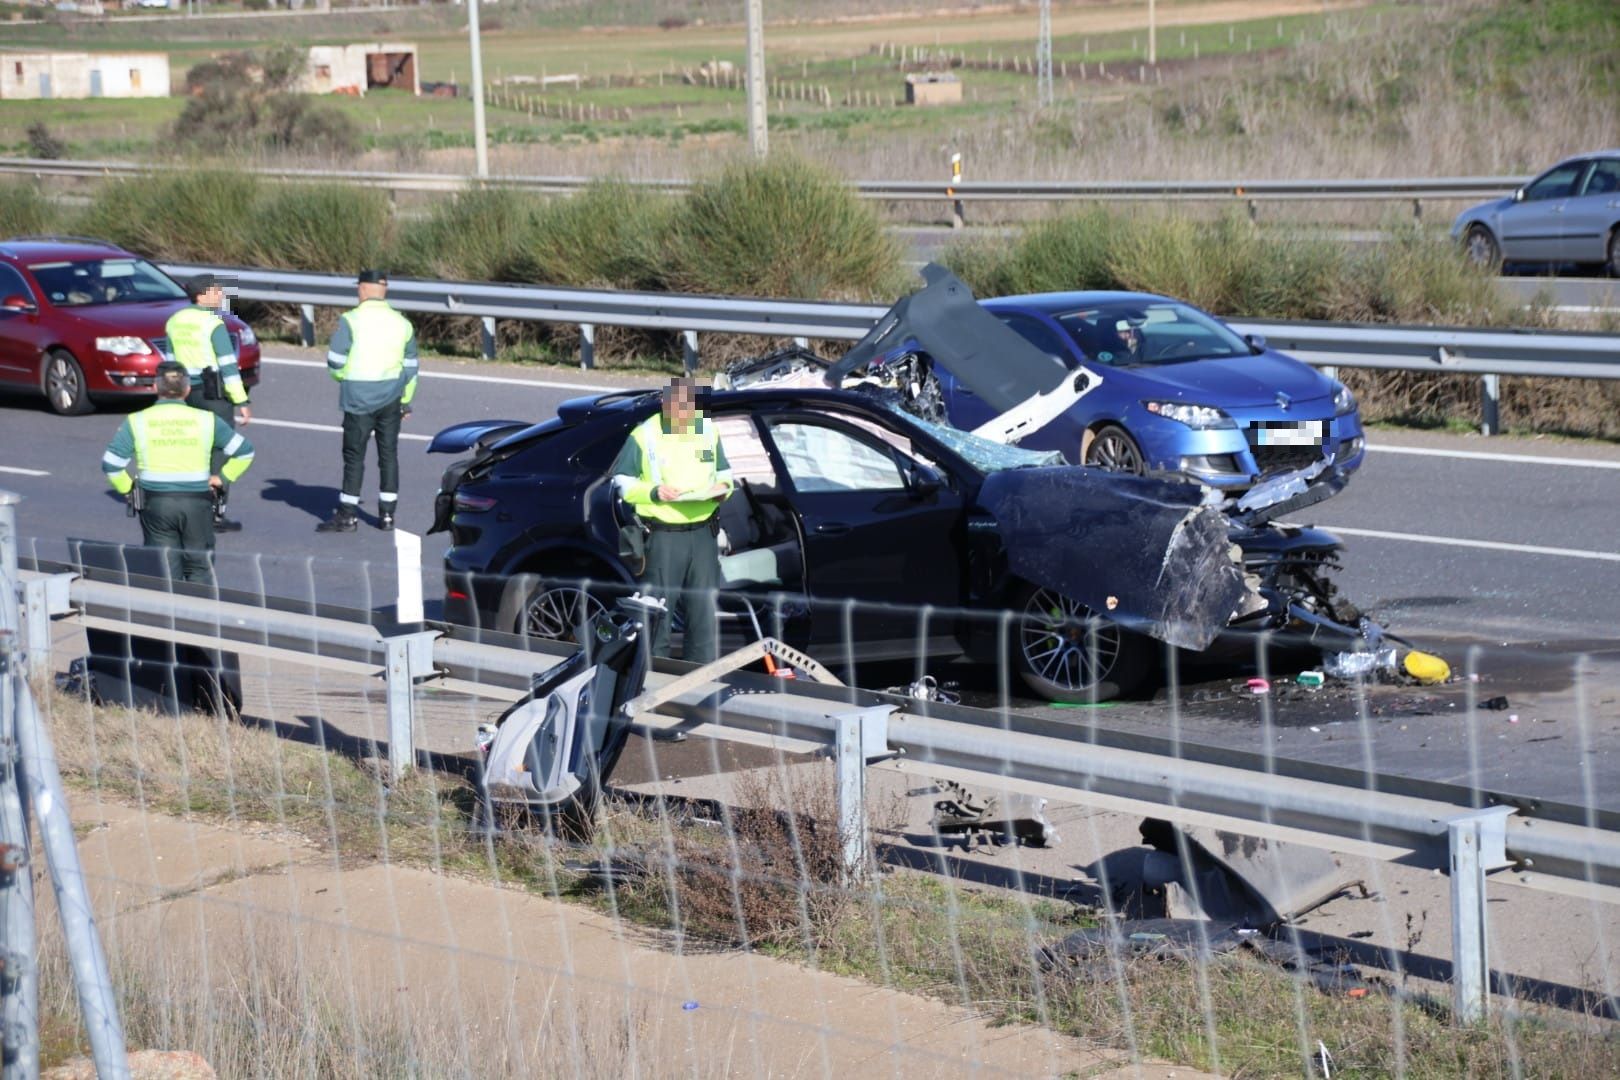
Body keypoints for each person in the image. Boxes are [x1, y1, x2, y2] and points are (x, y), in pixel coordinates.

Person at [611, 378, 733, 664]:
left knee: (703, 618)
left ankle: (698, 684)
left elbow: (722, 472)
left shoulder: (706, 431)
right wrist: (654, 492)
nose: (685, 417)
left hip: (703, 534)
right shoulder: (645, 435)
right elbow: (623, 482)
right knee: (658, 620)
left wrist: (721, 490)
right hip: (663, 537)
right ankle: (650, 686)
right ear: (665, 405)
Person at [102, 361, 255, 584]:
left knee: (164, 570)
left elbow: (111, 464)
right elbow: (244, 452)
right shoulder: (207, 420)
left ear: (155, 387)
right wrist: (222, 478)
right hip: (197, 503)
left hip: (156, 504)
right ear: (188, 389)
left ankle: (167, 614)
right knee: (199, 567)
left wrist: (129, 490)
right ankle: (197, 614)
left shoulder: (136, 421)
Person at [316, 268, 419, 534]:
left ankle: (348, 516)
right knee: (388, 456)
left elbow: (335, 362)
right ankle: (387, 516)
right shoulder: (402, 323)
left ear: (362, 289)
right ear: (384, 290)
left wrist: (344, 379)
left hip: (358, 399)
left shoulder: (351, 320)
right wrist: (405, 400)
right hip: (391, 399)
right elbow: (410, 367)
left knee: (354, 457)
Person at [165, 273, 251, 532]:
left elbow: (170, 362)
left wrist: (172, 398)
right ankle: (215, 512)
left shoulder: (174, 322)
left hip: (186, 392)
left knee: (191, 449)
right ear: (201, 295)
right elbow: (227, 366)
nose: (220, 295)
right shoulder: (212, 323)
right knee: (220, 450)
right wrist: (242, 400)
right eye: (215, 291)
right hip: (213, 393)